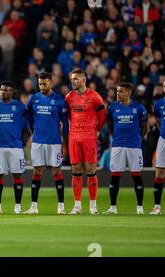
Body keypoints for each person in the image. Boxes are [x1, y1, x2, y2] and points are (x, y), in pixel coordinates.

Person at [25, 72, 68, 215]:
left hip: (54, 141)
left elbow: (65, 124)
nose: (42, 86)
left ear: (51, 82)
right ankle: (33, 206)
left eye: (45, 83)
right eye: (40, 84)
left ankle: (61, 206)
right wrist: (32, 132)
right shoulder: (34, 99)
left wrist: (64, 143)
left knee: (56, 170)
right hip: (38, 141)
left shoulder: (59, 100)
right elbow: (28, 116)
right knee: (37, 171)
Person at [65, 68, 106, 215]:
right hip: (74, 137)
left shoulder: (95, 97)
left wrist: (95, 130)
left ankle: (93, 206)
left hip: (89, 137)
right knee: (76, 171)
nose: (73, 82)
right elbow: (68, 116)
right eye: (71, 79)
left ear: (83, 79)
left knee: (90, 170)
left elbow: (102, 118)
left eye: (75, 79)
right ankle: (77, 206)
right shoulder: (69, 97)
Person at [104, 82, 147, 215]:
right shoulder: (113, 107)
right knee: (115, 176)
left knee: (137, 176)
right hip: (118, 146)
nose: (118, 93)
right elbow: (110, 123)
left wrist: (137, 138)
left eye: (121, 91)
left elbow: (144, 127)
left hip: (134, 146)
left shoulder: (138, 108)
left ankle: (140, 207)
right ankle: (113, 207)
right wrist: (115, 136)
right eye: (117, 91)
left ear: (129, 92)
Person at [0, 81, 30, 214]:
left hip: (15, 147)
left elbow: (28, 122)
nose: (3, 92)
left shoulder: (19, 106)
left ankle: (18, 207)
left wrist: (26, 137)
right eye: (1, 89)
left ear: (12, 92)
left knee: (17, 175)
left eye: (6, 90)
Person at [151, 76, 165, 215]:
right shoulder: (158, 104)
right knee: (159, 172)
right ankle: (157, 206)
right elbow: (158, 121)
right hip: (164, 140)